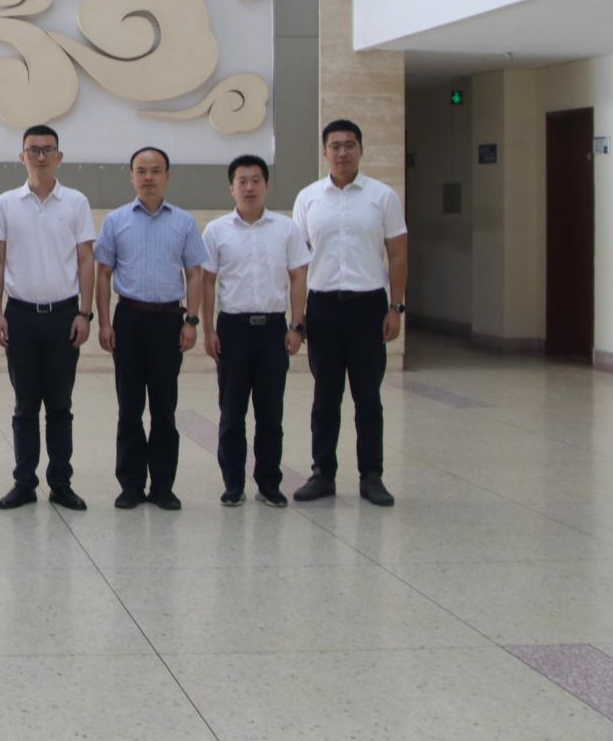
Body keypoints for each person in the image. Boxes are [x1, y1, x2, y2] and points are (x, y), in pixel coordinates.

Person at [291, 119, 408, 506]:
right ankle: (322, 474)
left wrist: (396, 307)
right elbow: (297, 264)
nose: (342, 153)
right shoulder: (308, 198)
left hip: (368, 307)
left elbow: (398, 254)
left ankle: (372, 476)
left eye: (350, 145)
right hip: (322, 307)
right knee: (325, 397)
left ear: (361, 150)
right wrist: (298, 316)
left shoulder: (382, 196)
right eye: (335, 146)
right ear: (324, 152)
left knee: (368, 397)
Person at [92, 146, 207, 510]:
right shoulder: (116, 221)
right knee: (129, 408)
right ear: (131, 176)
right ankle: (130, 485)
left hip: (168, 321)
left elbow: (195, 274)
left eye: (156, 170)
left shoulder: (184, 222)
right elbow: (103, 273)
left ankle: (162, 486)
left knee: (163, 408)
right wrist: (105, 322)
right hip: (128, 320)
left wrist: (192, 321)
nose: (148, 177)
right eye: (141, 171)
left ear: (168, 176)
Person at [0, 124, 96, 511]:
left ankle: (61, 483)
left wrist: (85, 312)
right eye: (33, 149)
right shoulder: (6, 203)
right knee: (25, 406)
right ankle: (24, 482)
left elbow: (86, 259)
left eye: (47, 149)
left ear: (59, 156)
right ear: (22, 156)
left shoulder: (76, 202)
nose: (40, 156)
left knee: (60, 406)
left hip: (64, 316)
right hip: (20, 316)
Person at [199, 154, 310, 508]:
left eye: (256, 181)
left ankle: (269, 483)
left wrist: (297, 325)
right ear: (231, 188)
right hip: (232, 330)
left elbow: (298, 277)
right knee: (232, 414)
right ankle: (233, 484)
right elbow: (207, 281)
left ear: (266, 186)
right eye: (242, 181)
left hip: (273, 330)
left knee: (270, 414)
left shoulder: (286, 229)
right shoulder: (216, 230)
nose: (249, 187)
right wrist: (208, 330)